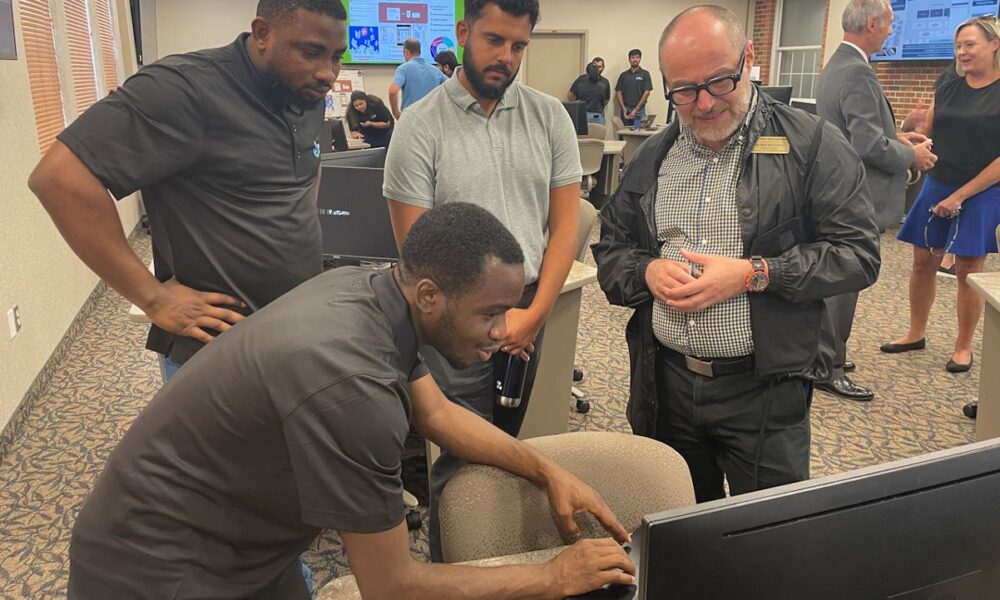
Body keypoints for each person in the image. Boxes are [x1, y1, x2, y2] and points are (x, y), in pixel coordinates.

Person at [66, 203, 634, 600]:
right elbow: (392, 587)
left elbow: (436, 414)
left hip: (238, 540)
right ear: (431, 296)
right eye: (489, 313)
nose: (503, 331)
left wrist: (546, 469)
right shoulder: (351, 385)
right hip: (155, 567)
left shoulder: (380, 294)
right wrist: (552, 578)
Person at [592, 6, 880, 503]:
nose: (703, 104)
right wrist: (648, 269)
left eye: (719, 82)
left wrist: (755, 274)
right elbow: (611, 247)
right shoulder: (654, 157)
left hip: (764, 391)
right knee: (682, 532)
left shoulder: (809, 145)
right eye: (684, 90)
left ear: (747, 58)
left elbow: (858, 253)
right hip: (667, 386)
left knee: (768, 543)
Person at [28, 0, 347, 382]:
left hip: (291, 332)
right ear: (262, 33)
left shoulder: (304, 90)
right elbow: (59, 178)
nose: (327, 73)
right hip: (215, 350)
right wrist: (152, 298)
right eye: (311, 52)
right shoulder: (183, 89)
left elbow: (306, 171)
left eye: (336, 56)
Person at [382, 0, 582, 561]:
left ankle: (498, 565)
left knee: (507, 451)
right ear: (465, 32)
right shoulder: (420, 126)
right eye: (494, 40)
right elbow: (417, 252)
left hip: (527, 316)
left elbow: (566, 225)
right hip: (453, 326)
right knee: (461, 462)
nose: (505, 57)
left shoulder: (549, 117)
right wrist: (484, 324)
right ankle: (455, 573)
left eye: (518, 45)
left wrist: (535, 312)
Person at [814, 0, 938, 401]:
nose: (890, 32)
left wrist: (899, 138)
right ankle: (827, 367)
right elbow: (867, 144)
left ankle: (827, 354)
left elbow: (854, 132)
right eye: (888, 25)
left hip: (836, 189)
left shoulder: (837, 65)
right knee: (844, 282)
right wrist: (911, 155)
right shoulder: (857, 72)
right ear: (871, 24)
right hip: (853, 195)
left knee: (836, 279)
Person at [882, 15, 1000, 385]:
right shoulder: (948, 81)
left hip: (983, 187)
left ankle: (963, 345)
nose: (962, 52)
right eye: (958, 46)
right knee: (921, 263)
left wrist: (961, 195)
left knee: (967, 268)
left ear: (994, 44)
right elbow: (929, 128)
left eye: (970, 44)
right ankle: (916, 332)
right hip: (940, 180)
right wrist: (914, 132)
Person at [388, 37, 448, 118]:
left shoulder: (403, 69)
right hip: (431, 119)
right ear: (420, 51)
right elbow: (453, 86)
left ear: (406, 52)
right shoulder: (436, 71)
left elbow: (393, 91)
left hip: (410, 119)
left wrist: (396, 113)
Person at [615, 48, 653, 127]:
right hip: (626, 110)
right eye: (632, 57)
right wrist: (623, 108)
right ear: (629, 59)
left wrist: (636, 109)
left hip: (639, 111)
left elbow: (647, 92)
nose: (635, 59)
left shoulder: (645, 74)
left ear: (640, 59)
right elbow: (618, 92)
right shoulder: (623, 75)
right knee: (625, 134)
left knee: (638, 133)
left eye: (637, 57)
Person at [568, 60, 611, 125]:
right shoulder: (603, 86)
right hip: (597, 115)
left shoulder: (581, 82)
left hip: (582, 114)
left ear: (587, 72)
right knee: (598, 134)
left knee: (582, 135)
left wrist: (580, 103)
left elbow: (570, 95)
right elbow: (605, 100)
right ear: (597, 71)